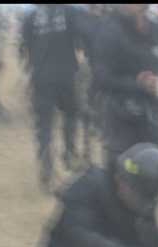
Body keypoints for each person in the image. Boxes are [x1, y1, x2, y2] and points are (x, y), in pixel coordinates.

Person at [38, 142, 158, 247]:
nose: (141, 204)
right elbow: (80, 236)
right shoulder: (91, 185)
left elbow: (142, 241)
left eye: (146, 200)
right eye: (138, 197)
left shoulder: (142, 204)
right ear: (119, 179)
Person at [93, 4, 158, 174]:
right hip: (123, 117)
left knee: (152, 172)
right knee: (119, 173)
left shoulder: (157, 30)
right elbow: (102, 79)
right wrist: (137, 83)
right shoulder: (111, 32)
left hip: (152, 121)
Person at [20, 4, 96, 190]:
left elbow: (25, 43)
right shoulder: (70, 12)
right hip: (65, 75)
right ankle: (69, 151)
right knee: (71, 112)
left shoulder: (33, 16)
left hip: (40, 77)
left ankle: (46, 152)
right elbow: (87, 34)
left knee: (44, 122)